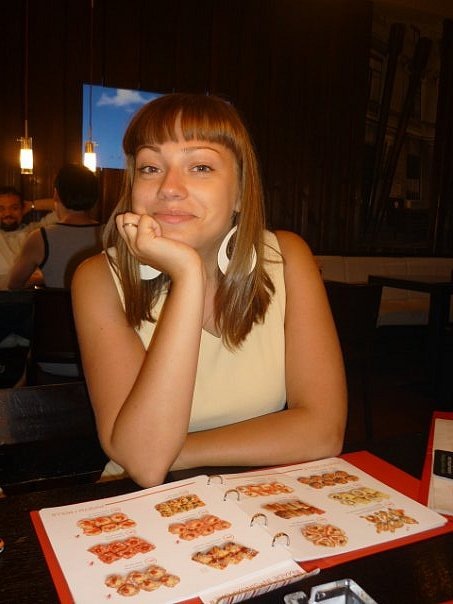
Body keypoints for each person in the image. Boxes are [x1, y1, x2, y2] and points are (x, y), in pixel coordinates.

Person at [72, 93, 347, 488]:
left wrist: (169, 451)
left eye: (200, 167)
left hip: (258, 492)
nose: (169, 187)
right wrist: (188, 276)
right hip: (139, 502)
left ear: (240, 193)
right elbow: (145, 469)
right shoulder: (98, 279)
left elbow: (323, 431)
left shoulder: (287, 257)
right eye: (150, 167)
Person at [8, 165, 102, 290]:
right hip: (100, 301)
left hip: (57, 302)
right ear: (94, 197)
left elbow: (14, 284)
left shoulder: (40, 238)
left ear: (56, 194)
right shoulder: (109, 233)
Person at [0, 187, 57, 289]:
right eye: (1, 209)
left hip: (34, 295)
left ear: (23, 209)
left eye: (14, 208)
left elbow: (66, 208)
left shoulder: (36, 231)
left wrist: (32, 205)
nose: (8, 213)